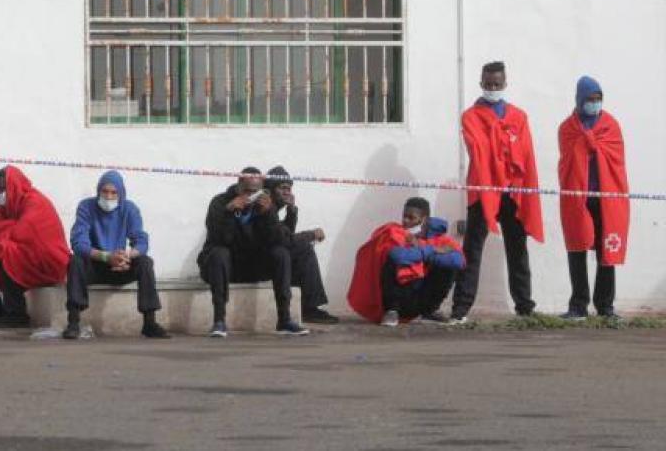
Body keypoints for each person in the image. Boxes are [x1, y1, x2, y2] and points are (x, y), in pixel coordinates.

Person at [450, 61, 544, 323]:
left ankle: (524, 307)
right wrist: (502, 139)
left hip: (513, 192)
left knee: (518, 249)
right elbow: (479, 149)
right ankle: (460, 309)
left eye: (497, 84)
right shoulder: (470, 116)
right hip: (484, 190)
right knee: (472, 250)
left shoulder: (519, 117)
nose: (492, 88)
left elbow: (525, 153)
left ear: (505, 84)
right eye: (488, 84)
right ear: (481, 83)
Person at [198, 165, 336, 337]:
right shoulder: (220, 202)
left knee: (280, 253)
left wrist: (268, 214)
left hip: (253, 266)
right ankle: (219, 321)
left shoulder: (264, 205)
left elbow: (280, 240)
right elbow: (221, 239)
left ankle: (284, 320)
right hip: (224, 266)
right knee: (220, 253)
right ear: (238, 187)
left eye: (255, 192)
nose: (251, 196)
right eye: (247, 191)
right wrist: (229, 212)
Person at [63, 170, 168, 339]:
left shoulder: (129, 209)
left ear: (121, 193)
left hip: (120, 266)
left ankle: (149, 323)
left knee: (145, 262)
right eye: (104, 191)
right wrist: (106, 257)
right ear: (98, 191)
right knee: (75, 261)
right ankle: (73, 322)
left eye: (114, 192)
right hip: (96, 265)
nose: (109, 196)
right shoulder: (86, 207)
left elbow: (141, 241)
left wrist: (127, 256)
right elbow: (79, 243)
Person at [557, 76, 629, 320]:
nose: (594, 103)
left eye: (598, 99)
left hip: (607, 198)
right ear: (579, 100)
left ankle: (605, 306)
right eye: (589, 99)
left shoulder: (611, 126)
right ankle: (578, 305)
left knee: (606, 250)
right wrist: (586, 144)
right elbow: (567, 163)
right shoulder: (567, 129)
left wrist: (592, 145)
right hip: (578, 198)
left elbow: (616, 160)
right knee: (577, 249)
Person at [0, 166, 70, 328]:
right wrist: (11, 224)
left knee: (5, 249)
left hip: (48, 262)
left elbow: (21, 232)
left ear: (13, 186)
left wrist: (3, 229)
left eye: (2, 188)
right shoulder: (6, 206)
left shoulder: (35, 201)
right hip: (27, 255)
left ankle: (16, 313)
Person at [348, 197, 465, 327]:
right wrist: (432, 250)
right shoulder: (394, 231)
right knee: (392, 259)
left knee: (449, 266)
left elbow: (458, 261)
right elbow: (398, 255)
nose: (405, 221)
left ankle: (430, 311)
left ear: (424, 219)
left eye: (411, 218)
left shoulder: (441, 239)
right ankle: (392, 311)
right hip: (398, 296)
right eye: (404, 216)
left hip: (421, 296)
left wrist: (420, 249)